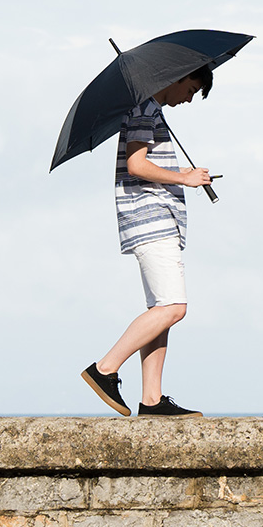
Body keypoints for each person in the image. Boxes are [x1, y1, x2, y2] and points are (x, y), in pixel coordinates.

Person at [79, 67, 215, 418]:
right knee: (174, 307)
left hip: (153, 220)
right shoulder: (144, 110)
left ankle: (151, 400)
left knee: (162, 311)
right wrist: (184, 177)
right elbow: (137, 164)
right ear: (178, 77)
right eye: (191, 88)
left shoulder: (151, 112)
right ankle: (105, 368)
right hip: (151, 219)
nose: (188, 99)